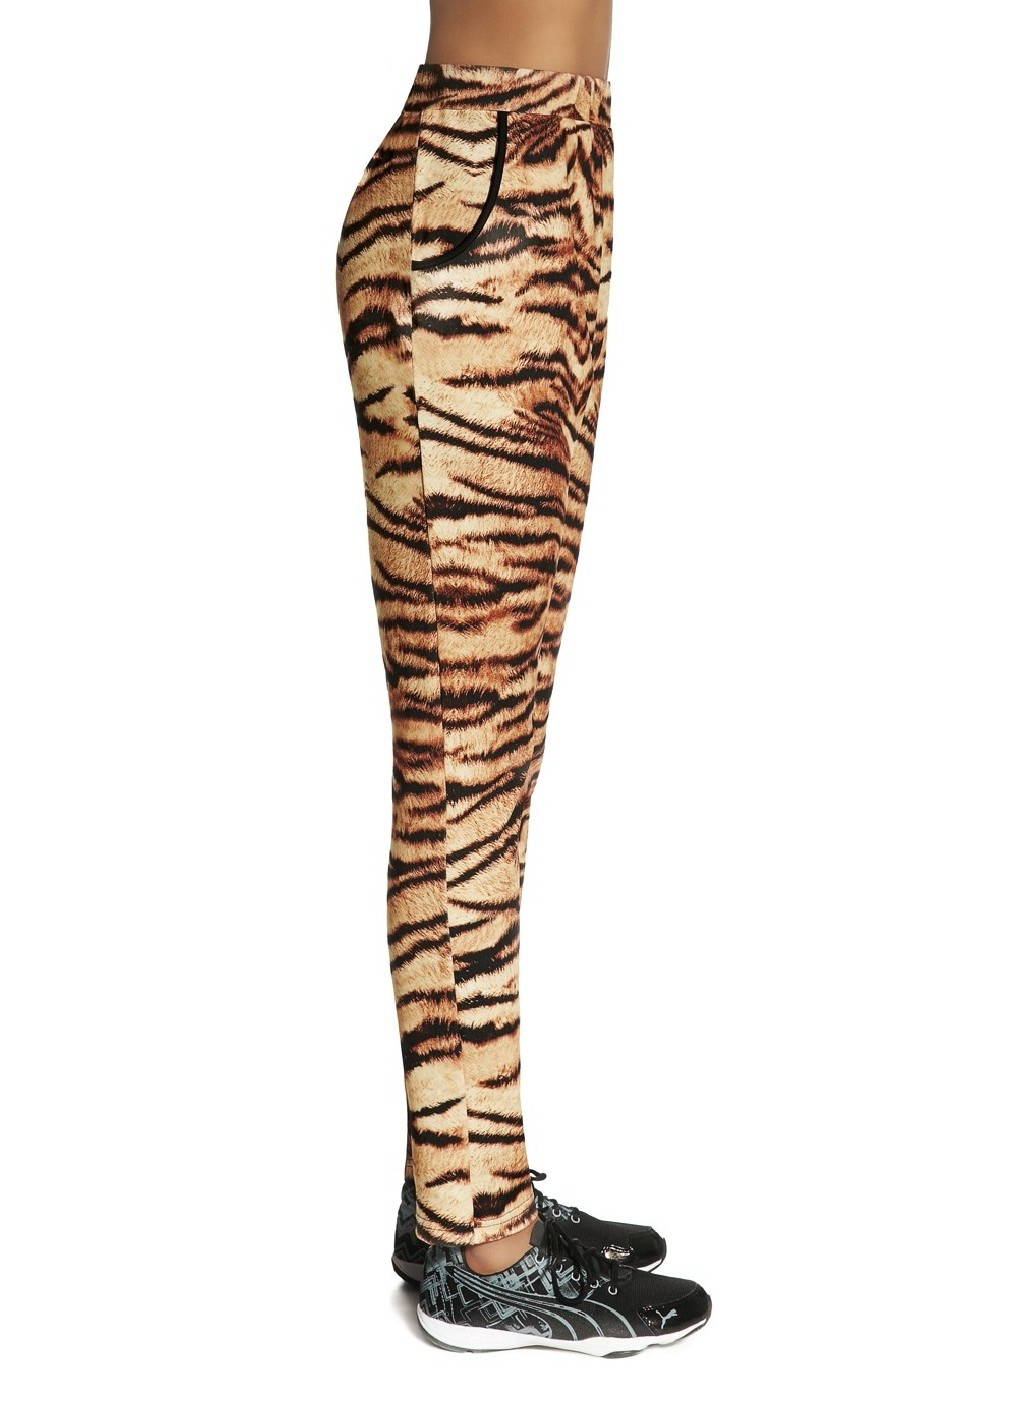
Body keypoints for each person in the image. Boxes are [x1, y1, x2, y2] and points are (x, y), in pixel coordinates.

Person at [335, 0, 711, 1353]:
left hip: (547, 180)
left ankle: (453, 1178)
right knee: (465, 759)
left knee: (499, 744)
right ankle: (478, 1242)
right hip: (479, 198)